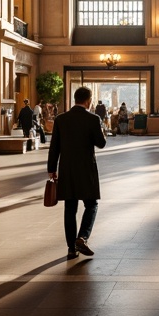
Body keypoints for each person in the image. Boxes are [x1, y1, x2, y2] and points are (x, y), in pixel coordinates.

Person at [48, 86, 107, 259]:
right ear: (88, 101)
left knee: (70, 207)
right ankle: (82, 237)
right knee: (91, 204)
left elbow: (54, 147)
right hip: (86, 169)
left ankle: (71, 248)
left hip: (67, 169)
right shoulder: (93, 118)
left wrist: (52, 169)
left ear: (75, 99)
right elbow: (101, 143)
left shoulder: (61, 119)